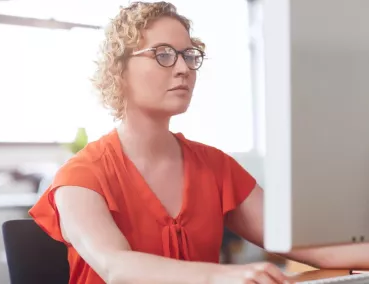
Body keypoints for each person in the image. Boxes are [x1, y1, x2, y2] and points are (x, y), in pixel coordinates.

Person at [30, 2, 369, 283]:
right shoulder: (80, 177)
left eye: (189, 55)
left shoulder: (215, 167)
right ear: (119, 70)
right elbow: (116, 266)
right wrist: (223, 276)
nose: (183, 68)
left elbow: (318, 249)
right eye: (163, 54)